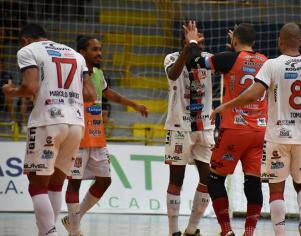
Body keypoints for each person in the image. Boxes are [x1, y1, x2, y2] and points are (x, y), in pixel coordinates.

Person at [211, 23, 301, 236]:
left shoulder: (272, 65)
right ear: (300, 41)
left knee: (276, 190)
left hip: (276, 137)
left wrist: (225, 106)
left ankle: (280, 234)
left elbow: (253, 95)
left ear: (279, 42)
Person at [1, 23, 96, 236]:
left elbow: (29, 88)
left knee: (37, 185)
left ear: (25, 40)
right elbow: (90, 95)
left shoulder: (28, 50)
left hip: (48, 121)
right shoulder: (74, 54)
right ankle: (47, 231)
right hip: (77, 124)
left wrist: (10, 91)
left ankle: (48, 233)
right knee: (55, 185)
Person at [184, 21, 268, 236]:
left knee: (214, 179)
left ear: (235, 40)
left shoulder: (228, 58)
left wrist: (192, 40)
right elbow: (246, 65)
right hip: (259, 131)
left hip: (234, 129)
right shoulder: (266, 61)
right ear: (254, 42)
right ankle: (249, 232)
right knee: (253, 182)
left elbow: (195, 61)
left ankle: (227, 231)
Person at [61, 35, 148, 236]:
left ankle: (73, 219)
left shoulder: (99, 74)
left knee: (105, 180)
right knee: (74, 182)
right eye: (94, 49)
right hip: (78, 136)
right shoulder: (73, 74)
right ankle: (75, 231)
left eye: (100, 49)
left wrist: (134, 105)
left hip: (97, 136)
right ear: (82, 52)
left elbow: (111, 95)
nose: (99, 53)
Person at [164, 25, 214, 236]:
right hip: (179, 127)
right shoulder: (171, 58)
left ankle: (192, 228)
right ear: (185, 42)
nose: (199, 46)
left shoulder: (209, 58)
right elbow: (174, 75)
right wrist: (189, 47)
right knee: (176, 180)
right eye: (196, 41)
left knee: (210, 179)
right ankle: (173, 231)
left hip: (205, 126)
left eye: (200, 41)